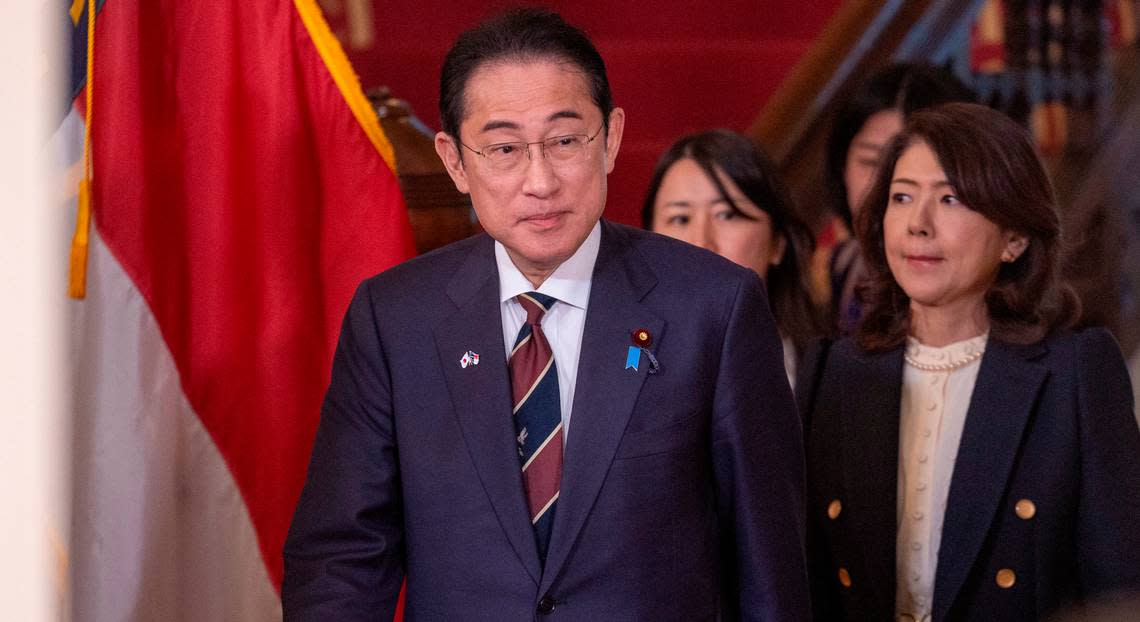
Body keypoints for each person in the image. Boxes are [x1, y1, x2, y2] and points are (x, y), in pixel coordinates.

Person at [282, 9, 809, 621]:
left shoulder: (713, 308)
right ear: (455, 161)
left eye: (564, 141)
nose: (540, 181)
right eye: (504, 148)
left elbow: (767, 571)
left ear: (609, 138)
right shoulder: (395, 319)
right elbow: (343, 559)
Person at [803, 102, 1140, 621]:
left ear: (1014, 237)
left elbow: (1116, 591)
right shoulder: (834, 372)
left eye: (951, 199)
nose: (918, 224)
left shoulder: (1075, 374)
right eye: (901, 197)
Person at [642, 129, 824, 390]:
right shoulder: (622, 363)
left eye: (727, 215)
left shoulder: (829, 370)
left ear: (777, 244)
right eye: (680, 219)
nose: (701, 243)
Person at [824, 63, 974, 335]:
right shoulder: (844, 263)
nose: (888, 185)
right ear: (841, 167)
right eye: (870, 161)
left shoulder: (964, 282)